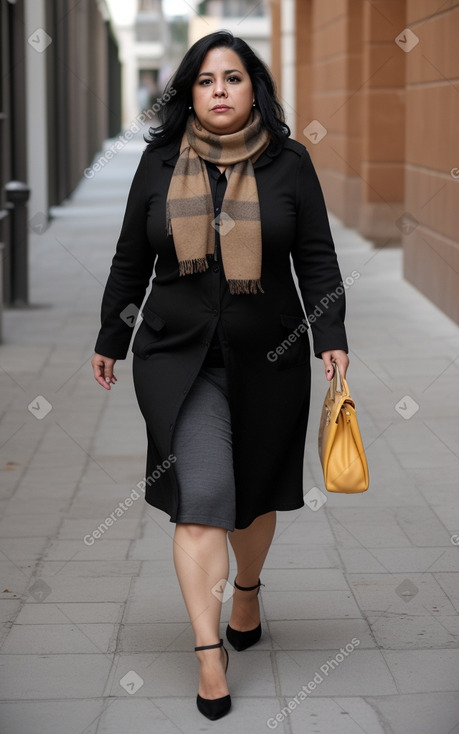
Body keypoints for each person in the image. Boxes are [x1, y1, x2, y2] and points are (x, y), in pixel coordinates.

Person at [91, 30, 349, 721]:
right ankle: (209, 653)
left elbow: (316, 258)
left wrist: (329, 334)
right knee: (203, 490)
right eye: (205, 82)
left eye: (231, 79)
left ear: (252, 87)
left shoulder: (289, 164)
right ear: (188, 93)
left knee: (257, 495)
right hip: (175, 357)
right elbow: (128, 261)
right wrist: (112, 336)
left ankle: (248, 589)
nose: (219, 93)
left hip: (270, 355)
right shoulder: (159, 162)